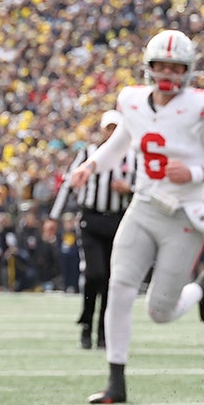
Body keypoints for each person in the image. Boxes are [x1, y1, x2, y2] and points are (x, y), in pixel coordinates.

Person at [67, 30, 204, 404]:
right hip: (143, 206)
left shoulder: (201, 105)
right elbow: (120, 144)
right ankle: (116, 382)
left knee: (160, 311)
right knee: (119, 287)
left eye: (175, 67)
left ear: (188, 71)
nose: (167, 73)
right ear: (148, 66)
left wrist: (194, 174)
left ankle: (201, 287)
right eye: (161, 65)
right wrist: (92, 166)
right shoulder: (132, 101)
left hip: (183, 214)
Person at [51, 110, 136, 349]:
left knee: (112, 279)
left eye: (115, 129)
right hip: (91, 219)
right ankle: (87, 323)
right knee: (94, 274)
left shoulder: (131, 155)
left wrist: (129, 188)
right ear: (102, 130)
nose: (111, 133)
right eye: (108, 128)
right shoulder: (88, 154)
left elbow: (145, 185)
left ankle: (103, 331)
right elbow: (70, 182)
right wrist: (54, 216)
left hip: (119, 221)